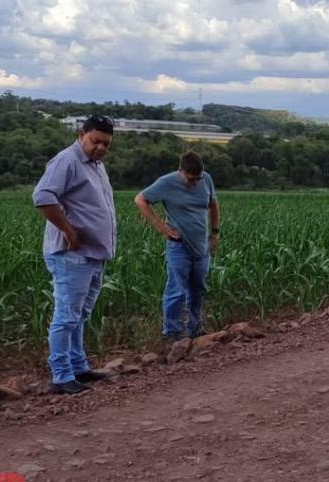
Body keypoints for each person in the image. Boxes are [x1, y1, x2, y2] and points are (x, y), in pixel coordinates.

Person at [33, 115, 117, 395]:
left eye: (106, 143)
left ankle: (78, 367)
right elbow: (43, 197)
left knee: (80, 315)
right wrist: (68, 231)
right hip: (72, 255)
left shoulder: (97, 165)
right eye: (96, 141)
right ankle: (61, 374)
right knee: (67, 315)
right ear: (81, 134)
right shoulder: (66, 161)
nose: (101, 148)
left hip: (93, 254)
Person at [134, 151, 220, 341]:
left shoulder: (206, 179)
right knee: (177, 289)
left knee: (198, 288)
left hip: (201, 245)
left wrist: (214, 233)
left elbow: (213, 205)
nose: (195, 182)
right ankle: (171, 332)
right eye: (191, 179)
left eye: (198, 178)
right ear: (181, 171)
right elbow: (140, 199)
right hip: (179, 246)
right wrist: (160, 226)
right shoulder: (166, 183)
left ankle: (195, 329)